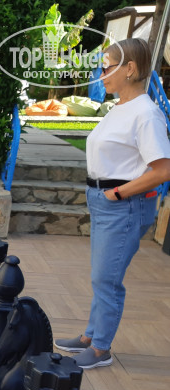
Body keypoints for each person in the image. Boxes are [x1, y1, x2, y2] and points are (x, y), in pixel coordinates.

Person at [55, 38, 170, 368]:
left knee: (107, 279)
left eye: (106, 68)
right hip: (105, 201)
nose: (101, 75)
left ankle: (100, 349)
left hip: (123, 205)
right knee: (101, 275)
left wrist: (118, 194)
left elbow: (163, 169)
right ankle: (90, 336)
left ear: (130, 69)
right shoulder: (121, 108)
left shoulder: (146, 114)